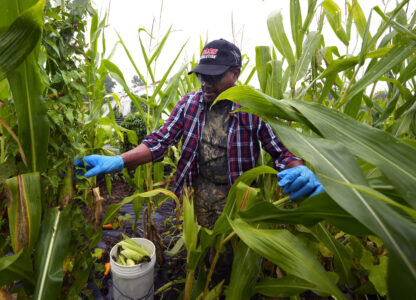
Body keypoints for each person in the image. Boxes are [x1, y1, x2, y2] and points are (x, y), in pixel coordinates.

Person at [75, 39, 324, 229]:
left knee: (231, 252)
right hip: (195, 194)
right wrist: (120, 160)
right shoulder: (189, 103)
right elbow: (160, 142)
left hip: (239, 198)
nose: (205, 82)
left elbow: (282, 151)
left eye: (214, 76)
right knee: (199, 252)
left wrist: (296, 167)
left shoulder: (253, 108)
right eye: (203, 75)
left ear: (235, 74)